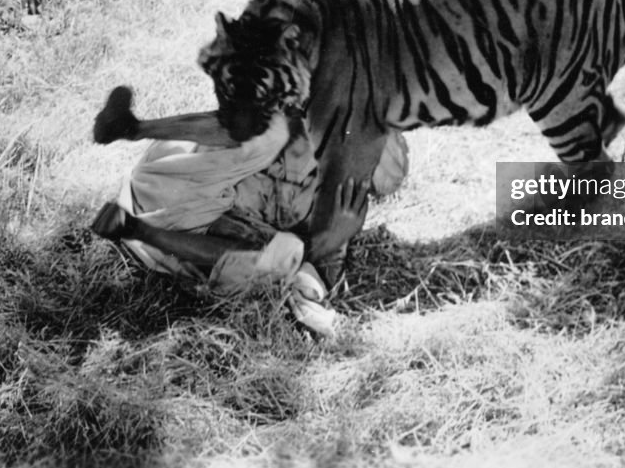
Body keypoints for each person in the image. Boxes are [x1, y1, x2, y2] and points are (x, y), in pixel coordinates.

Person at [90, 113, 408, 335]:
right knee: (270, 131)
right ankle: (134, 127)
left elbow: (315, 273)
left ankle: (133, 229)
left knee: (280, 259)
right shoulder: (300, 131)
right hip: (182, 172)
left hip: (179, 226)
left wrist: (299, 273)